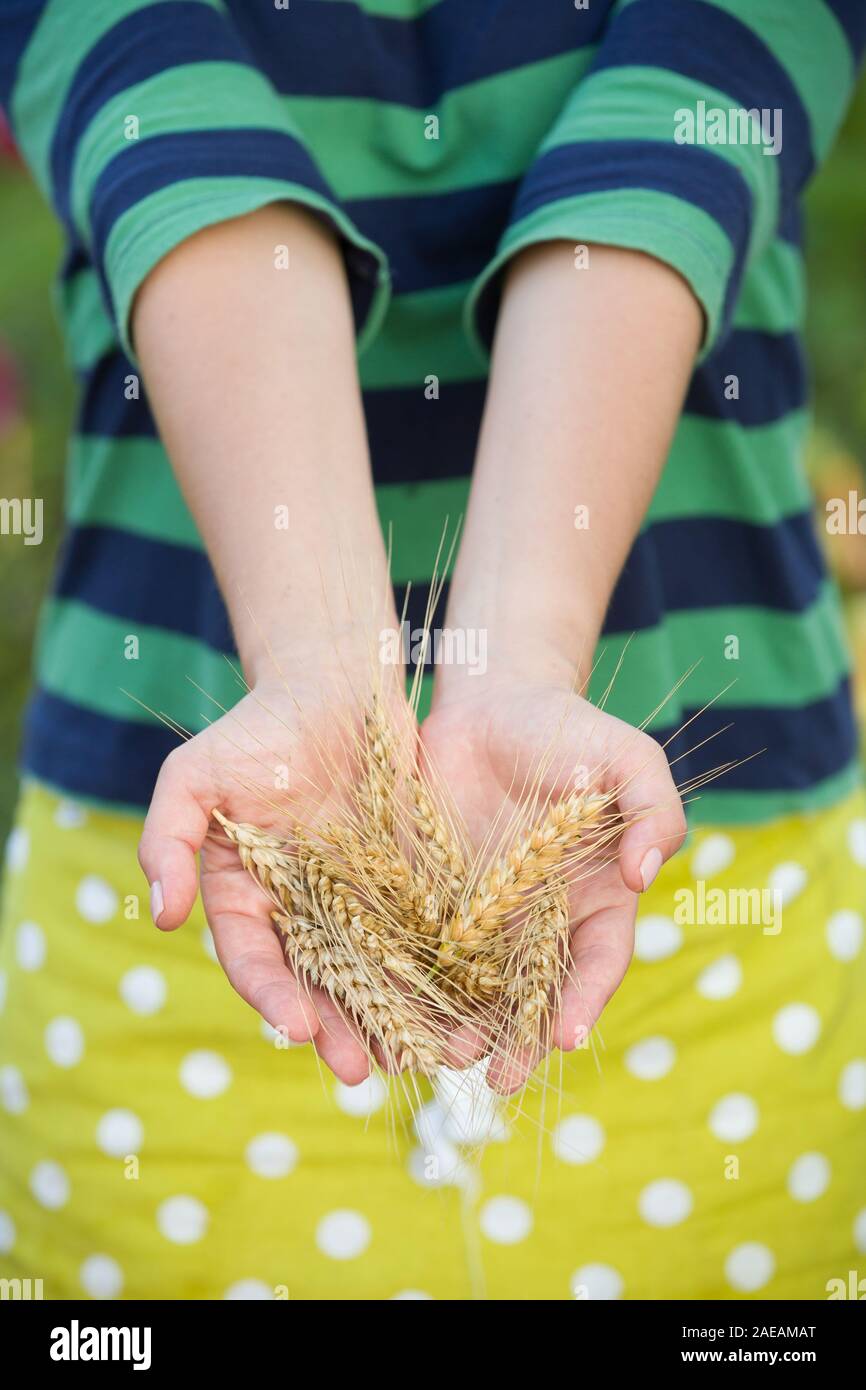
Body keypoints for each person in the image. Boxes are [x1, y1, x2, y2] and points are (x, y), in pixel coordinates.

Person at [0, 0, 864, 1301]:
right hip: (200, 875)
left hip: (685, 868)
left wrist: (515, 660)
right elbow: (166, 133)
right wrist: (325, 667)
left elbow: (682, 132)